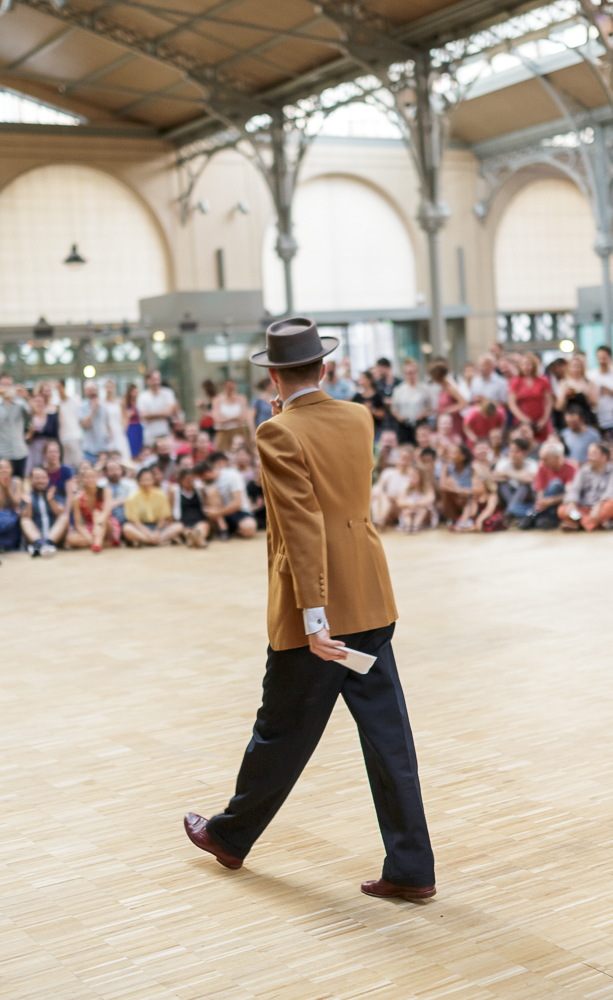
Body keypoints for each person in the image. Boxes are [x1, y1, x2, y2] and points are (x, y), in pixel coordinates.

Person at [185, 317, 434, 902]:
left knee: (280, 733)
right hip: (369, 596)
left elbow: (301, 525)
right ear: (322, 368)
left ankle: (230, 834)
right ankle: (412, 867)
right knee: (388, 738)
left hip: (314, 615)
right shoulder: (359, 417)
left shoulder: (277, 432)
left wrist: (315, 615)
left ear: (273, 375)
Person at [559, 441, 613, 531]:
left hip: (601, 508)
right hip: (583, 508)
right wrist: (572, 502)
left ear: (603, 457)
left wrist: (599, 505)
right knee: (562, 509)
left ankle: (579, 525)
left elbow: (611, 493)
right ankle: (595, 524)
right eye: (588, 454)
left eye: (593, 454)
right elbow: (574, 489)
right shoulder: (583, 471)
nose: (589, 458)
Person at [519, 440, 576, 531]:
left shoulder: (571, 468)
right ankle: (540, 516)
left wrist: (550, 501)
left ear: (557, 458)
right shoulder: (542, 467)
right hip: (545, 505)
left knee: (555, 484)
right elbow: (539, 492)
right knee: (514, 507)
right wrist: (542, 503)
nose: (542, 461)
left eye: (545, 459)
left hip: (560, 504)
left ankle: (534, 516)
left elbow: (570, 494)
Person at [199, 452, 257, 540]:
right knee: (211, 490)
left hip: (238, 512)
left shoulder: (233, 475)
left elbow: (238, 504)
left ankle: (232, 530)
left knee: (248, 527)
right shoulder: (205, 481)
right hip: (220, 518)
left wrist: (217, 512)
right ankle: (223, 528)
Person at [0, 374, 32, 476]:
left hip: (19, 451)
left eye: (9, 385)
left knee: (19, 482)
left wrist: (26, 396)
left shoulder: (20, 402)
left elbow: (34, 416)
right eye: (4, 385)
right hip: (1, 452)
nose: (7, 388)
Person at [65, 465, 119, 552]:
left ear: (98, 478)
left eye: (93, 477)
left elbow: (106, 513)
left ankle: (97, 543)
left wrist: (98, 527)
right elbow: (78, 525)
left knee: (97, 514)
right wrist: (90, 537)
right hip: (91, 528)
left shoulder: (106, 491)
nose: (91, 479)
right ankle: (103, 544)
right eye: (87, 477)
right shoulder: (77, 499)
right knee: (70, 538)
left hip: (107, 524)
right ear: (83, 479)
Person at [121, 467, 180, 545]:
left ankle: (147, 541)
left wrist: (157, 531)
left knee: (178, 526)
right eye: (143, 480)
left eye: (148, 479)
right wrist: (149, 534)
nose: (146, 482)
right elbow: (135, 521)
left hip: (157, 527)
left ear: (153, 480)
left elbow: (163, 518)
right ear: (138, 481)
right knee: (127, 528)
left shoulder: (160, 495)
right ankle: (155, 541)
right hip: (141, 527)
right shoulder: (132, 497)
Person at [508, 353, 555, 442]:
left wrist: (544, 419)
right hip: (522, 421)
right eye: (523, 364)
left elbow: (549, 402)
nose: (526, 367)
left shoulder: (543, 380)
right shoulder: (515, 382)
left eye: (528, 364)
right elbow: (512, 404)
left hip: (541, 421)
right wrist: (524, 419)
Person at [20, 465, 65, 557]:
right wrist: (28, 504)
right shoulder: (27, 496)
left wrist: (51, 500)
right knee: (25, 520)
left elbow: (60, 513)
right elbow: (25, 517)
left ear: (48, 479)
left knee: (64, 517)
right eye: (37, 478)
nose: (40, 481)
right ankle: (40, 544)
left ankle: (46, 544)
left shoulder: (54, 493)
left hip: (53, 536)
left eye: (43, 478)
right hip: (36, 535)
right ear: (31, 480)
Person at [388, 359, 433, 440]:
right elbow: (394, 409)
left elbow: (431, 408)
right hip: (404, 426)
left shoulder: (425, 389)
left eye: (412, 372)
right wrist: (399, 416)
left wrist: (423, 414)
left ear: (417, 372)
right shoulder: (399, 390)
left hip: (420, 426)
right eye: (408, 373)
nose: (410, 375)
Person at [136, 370, 179, 448]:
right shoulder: (142, 397)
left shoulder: (168, 393)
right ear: (147, 381)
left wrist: (150, 415)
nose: (156, 382)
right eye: (153, 380)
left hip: (166, 433)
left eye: (158, 379)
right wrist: (162, 414)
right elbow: (143, 415)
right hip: (150, 435)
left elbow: (168, 413)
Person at [25, 386, 60, 479]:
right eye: (36, 402)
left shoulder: (51, 417)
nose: (39, 404)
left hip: (48, 449)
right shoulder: (29, 419)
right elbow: (26, 439)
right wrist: (31, 432)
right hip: (34, 449)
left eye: (41, 402)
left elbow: (56, 435)